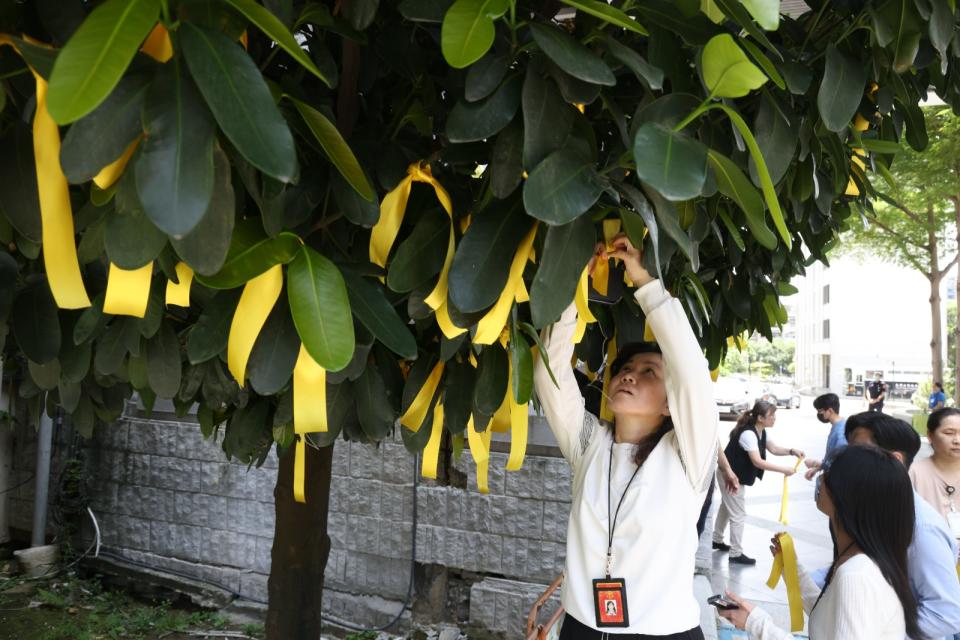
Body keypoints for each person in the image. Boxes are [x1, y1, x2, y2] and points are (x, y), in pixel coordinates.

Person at [533, 235, 717, 638]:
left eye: (650, 371)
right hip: (582, 628)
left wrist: (646, 284)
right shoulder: (589, 446)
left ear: (671, 404)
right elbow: (549, 372)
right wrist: (574, 286)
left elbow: (692, 375)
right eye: (625, 367)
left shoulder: (688, 457)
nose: (629, 373)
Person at [719, 445, 919, 639]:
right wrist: (791, 568)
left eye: (830, 474)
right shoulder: (861, 560)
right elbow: (829, 617)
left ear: (850, 497)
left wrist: (757, 624)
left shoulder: (857, 575)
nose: (820, 478)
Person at [844, 412, 960, 639]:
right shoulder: (879, 511)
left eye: (859, 451)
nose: (847, 460)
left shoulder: (922, 530)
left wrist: (883, 634)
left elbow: (946, 613)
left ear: (895, 460)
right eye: (949, 432)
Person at [712, 401, 803, 565]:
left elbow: (774, 449)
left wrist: (791, 451)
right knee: (738, 514)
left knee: (728, 507)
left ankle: (716, 539)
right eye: (772, 415)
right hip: (730, 475)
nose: (774, 418)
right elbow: (757, 462)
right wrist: (784, 470)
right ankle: (735, 553)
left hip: (733, 473)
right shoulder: (748, 434)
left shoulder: (761, 431)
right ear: (760, 418)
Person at [910, 407, 960, 547]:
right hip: (930, 555)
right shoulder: (914, 473)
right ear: (930, 436)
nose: (957, 440)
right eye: (949, 433)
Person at [697, 449, 739, 539]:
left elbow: (714, 439)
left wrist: (726, 469)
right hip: (691, 473)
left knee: (701, 524)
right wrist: (726, 469)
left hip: (704, 474)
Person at [803, 393, 846, 480]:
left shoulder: (840, 431)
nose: (819, 414)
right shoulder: (837, 425)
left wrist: (815, 463)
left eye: (820, 411)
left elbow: (840, 459)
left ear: (830, 411)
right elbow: (831, 456)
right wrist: (817, 469)